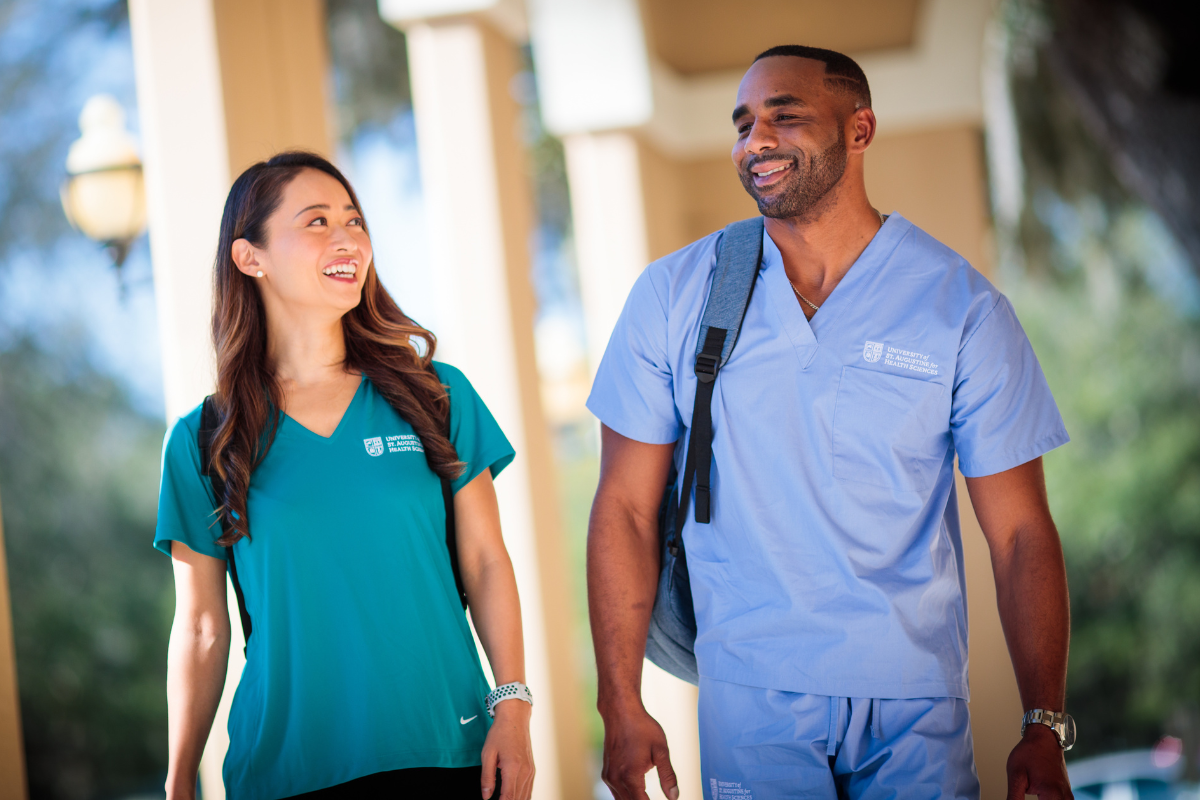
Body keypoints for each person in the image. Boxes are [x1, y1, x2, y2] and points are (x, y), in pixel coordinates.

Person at [586, 45, 1075, 800]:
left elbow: (1019, 534)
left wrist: (1044, 722)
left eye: (786, 116)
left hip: (915, 702)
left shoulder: (962, 310)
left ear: (860, 128)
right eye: (744, 124)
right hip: (749, 695)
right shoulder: (674, 296)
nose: (757, 141)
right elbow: (621, 508)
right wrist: (620, 703)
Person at [154, 152, 535, 800]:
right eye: (318, 221)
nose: (348, 238)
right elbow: (200, 626)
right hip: (287, 773)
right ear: (252, 257)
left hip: (445, 750)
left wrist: (514, 707)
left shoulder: (437, 396)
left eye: (354, 220)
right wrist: (179, 778)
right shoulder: (204, 441)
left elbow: (486, 562)